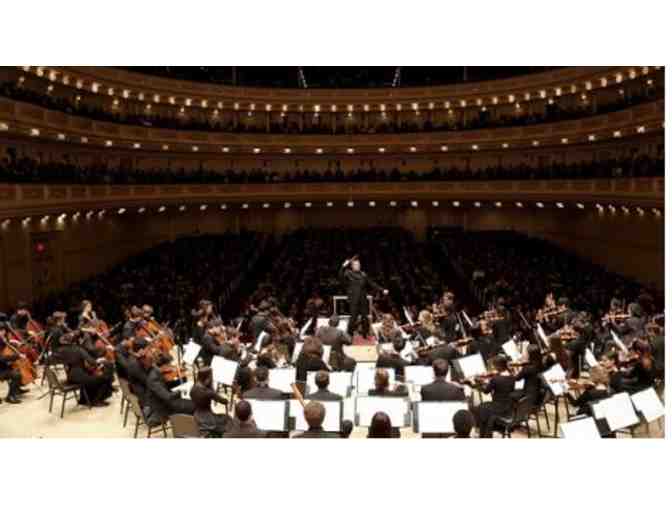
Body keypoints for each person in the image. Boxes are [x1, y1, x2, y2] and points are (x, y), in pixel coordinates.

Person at [58, 331, 115, 406]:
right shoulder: (78, 349)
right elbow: (92, 362)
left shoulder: (61, 350)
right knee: (105, 378)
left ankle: (83, 399)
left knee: (91, 375)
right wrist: (100, 360)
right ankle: (96, 400)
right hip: (79, 376)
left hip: (70, 376)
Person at [141, 349, 195, 425]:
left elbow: (167, 385)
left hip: (165, 401)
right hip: (162, 408)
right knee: (193, 404)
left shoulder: (156, 371)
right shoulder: (154, 379)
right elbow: (168, 397)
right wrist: (181, 390)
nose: (171, 367)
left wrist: (180, 380)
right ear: (164, 366)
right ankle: (189, 426)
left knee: (190, 401)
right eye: (169, 364)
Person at [339, 256, 388, 336]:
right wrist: (343, 266)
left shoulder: (363, 274)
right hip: (353, 300)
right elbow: (340, 276)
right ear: (352, 266)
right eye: (356, 265)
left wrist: (382, 290)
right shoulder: (348, 273)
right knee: (353, 318)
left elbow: (372, 283)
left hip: (363, 300)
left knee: (365, 318)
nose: (358, 266)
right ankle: (349, 335)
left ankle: (365, 334)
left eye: (359, 264)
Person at [469, 355, 516, 438]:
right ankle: (487, 431)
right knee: (484, 407)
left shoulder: (496, 379)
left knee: (481, 408)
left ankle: (484, 433)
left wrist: (475, 384)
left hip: (499, 407)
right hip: (508, 405)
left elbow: (486, 391)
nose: (494, 368)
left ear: (499, 366)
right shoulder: (512, 376)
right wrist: (486, 382)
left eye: (495, 366)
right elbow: (499, 385)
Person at [190, 367, 231, 437]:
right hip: (209, 420)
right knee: (228, 419)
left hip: (196, 416)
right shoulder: (208, 392)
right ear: (208, 379)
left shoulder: (192, 389)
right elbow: (225, 402)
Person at [0, 325, 25, 404]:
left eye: (3, 331)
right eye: (1, 331)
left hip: (4, 366)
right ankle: (10, 397)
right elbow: (2, 358)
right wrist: (17, 356)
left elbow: (6, 350)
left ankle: (16, 390)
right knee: (16, 375)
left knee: (17, 370)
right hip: (1, 370)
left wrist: (13, 343)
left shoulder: (3, 340)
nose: (3, 333)